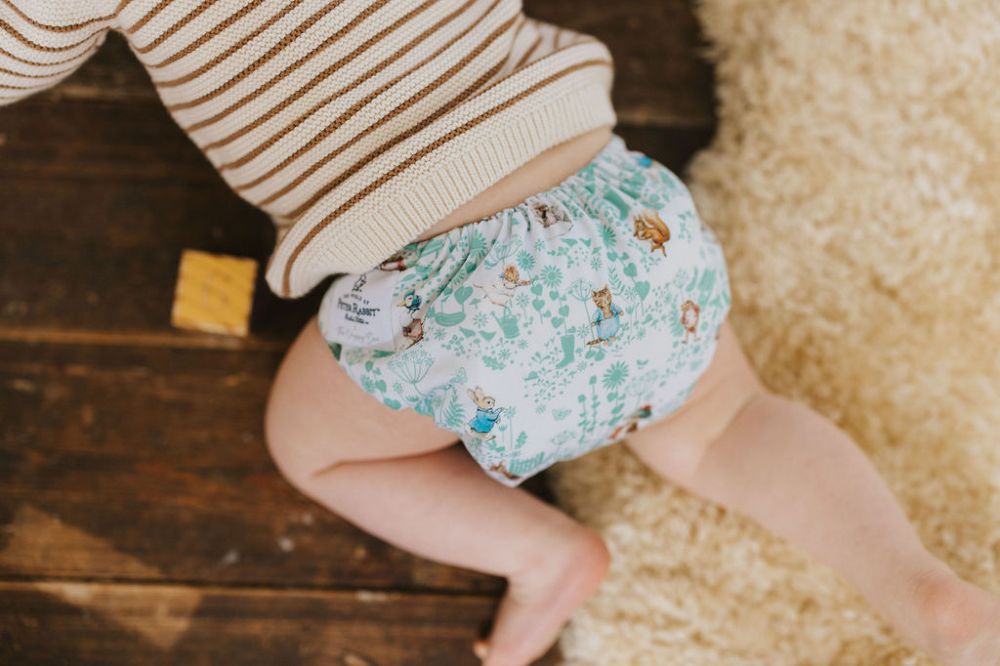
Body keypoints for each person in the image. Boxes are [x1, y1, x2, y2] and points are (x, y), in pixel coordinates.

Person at [5, 3, 998, 664]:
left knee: (310, 445)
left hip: (458, 294)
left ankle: (541, 555)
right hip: (615, 208)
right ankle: (921, 592)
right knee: (727, 422)